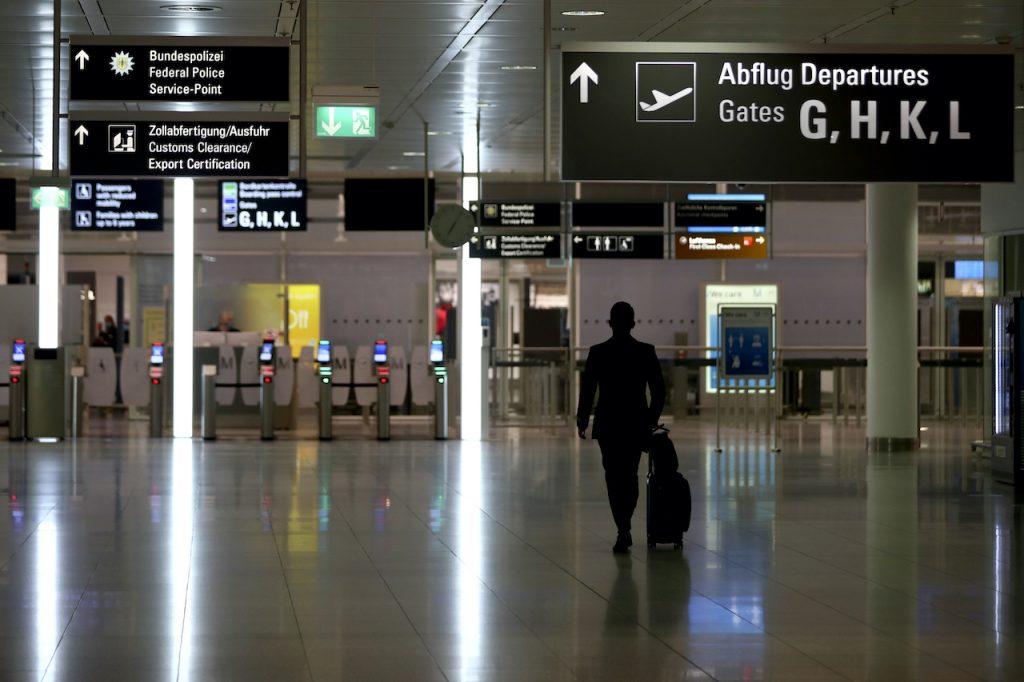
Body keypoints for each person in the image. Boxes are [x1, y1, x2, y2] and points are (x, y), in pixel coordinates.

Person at [577, 301, 666, 553]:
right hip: (636, 423)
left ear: (610, 323)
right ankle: (625, 523)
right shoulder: (645, 352)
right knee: (630, 473)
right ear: (633, 324)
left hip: (608, 424)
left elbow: (588, 390)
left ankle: (623, 527)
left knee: (612, 475)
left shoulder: (598, 352)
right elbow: (659, 390)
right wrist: (651, 418)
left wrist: (583, 419)